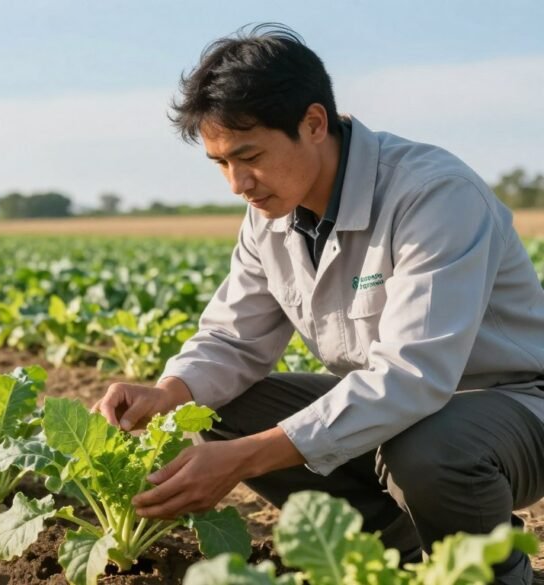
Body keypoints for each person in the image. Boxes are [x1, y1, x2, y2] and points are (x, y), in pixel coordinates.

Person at [93, 23, 544, 584]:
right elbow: (233, 338)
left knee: (429, 449)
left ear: (313, 123)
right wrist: (168, 393)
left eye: (248, 155)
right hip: (395, 414)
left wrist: (248, 458)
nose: (237, 184)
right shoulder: (269, 217)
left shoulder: (432, 194)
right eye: (219, 163)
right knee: (218, 408)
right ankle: (398, 551)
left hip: (510, 406)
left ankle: (496, 574)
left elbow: (415, 375)